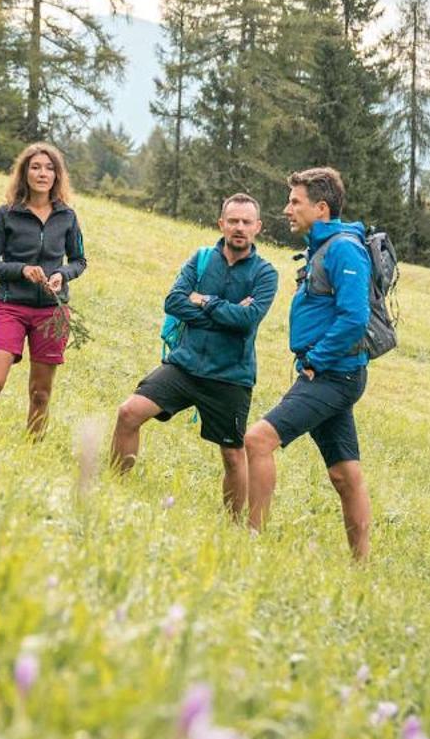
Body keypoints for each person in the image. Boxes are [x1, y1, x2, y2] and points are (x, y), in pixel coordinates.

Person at [111, 194, 278, 518]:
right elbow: (174, 302)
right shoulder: (201, 259)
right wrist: (224, 314)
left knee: (232, 455)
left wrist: (204, 302)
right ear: (221, 224)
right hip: (185, 365)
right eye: (233, 221)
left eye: (246, 222)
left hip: (230, 375)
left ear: (258, 227)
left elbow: (247, 322)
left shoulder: (265, 273)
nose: (239, 228)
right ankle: (114, 487)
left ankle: (232, 523)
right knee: (129, 413)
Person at [243, 167, 374, 559]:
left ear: (321, 208)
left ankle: (250, 541)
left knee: (258, 440)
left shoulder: (344, 249)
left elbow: (355, 317)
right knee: (344, 474)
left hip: (333, 373)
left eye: (295, 202)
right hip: (330, 371)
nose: (287, 209)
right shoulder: (324, 245)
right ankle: (361, 565)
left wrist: (316, 359)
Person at [0, 142, 88, 435]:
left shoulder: (67, 217)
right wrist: (22, 270)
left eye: (49, 168)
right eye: (35, 167)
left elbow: (79, 261)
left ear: (57, 175)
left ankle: (33, 449)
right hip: (10, 306)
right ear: (24, 173)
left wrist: (62, 274)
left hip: (52, 313)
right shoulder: (6, 214)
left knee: (40, 394)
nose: (42, 173)